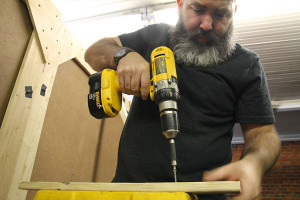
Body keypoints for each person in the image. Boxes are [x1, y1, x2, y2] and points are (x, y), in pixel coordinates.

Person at [85, 0, 281, 199]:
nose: (206, 24)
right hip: (131, 192)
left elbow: (263, 133)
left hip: (203, 195)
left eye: (221, 14)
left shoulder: (246, 64)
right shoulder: (155, 36)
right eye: (198, 10)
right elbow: (94, 51)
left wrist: (254, 163)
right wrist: (124, 55)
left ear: (234, 12)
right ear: (180, 4)